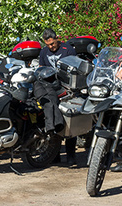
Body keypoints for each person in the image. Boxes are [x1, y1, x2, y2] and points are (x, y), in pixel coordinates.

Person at [38, 28, 77, 165]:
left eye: (52, 44)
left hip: (67, 88)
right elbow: (41, 70)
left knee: (69, 124)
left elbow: (74, 69)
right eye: (48, 45)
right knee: (54, 120)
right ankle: (55, 155)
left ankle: (71, 155)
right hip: (51, 89)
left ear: (57, 39)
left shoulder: (68, 50)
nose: (51, 47)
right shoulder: (44, 52)